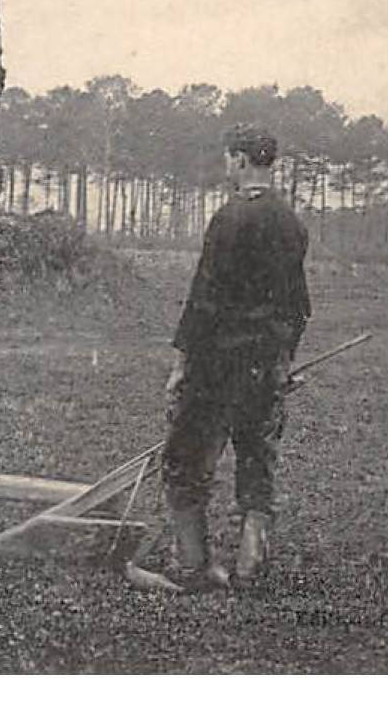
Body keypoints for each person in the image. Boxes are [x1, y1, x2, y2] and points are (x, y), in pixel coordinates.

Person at [163, 123, 310, 590]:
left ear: (242, 160)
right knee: (257, 461)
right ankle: (250, 567)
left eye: (229, 159)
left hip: (217, 368)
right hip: (265, 367)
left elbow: (204, 298)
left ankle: (192, 566)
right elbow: (297, 306)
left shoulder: (227, 220)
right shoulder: (292, 223)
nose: (227, 167)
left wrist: (182, 365)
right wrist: (284, 361)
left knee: (186, 461)